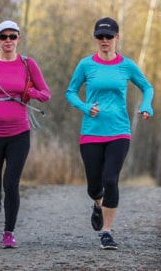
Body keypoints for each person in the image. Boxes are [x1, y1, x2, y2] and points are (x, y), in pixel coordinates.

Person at [65, 17, 154, 250]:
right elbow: (71, 91)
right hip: (91, 132)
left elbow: (147, 87)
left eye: (109, 36)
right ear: (95, 38)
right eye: (100, 37)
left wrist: (147, 105)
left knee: (111, 179)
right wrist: (85, 107)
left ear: (117, 37)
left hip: (119, 131)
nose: (104, 41)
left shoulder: (127, 65)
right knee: (94, 187)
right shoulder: (86, 65)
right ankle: (98, 204)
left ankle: (107, 232)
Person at [0, 19, 51, 249]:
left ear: (19, 39)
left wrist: (31, 92)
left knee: (11, 183)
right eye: (3, 36)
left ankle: (9, 232)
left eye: (12, 36)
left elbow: (46, 93)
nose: (8, 41)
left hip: (19, 134)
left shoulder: (28, 64)